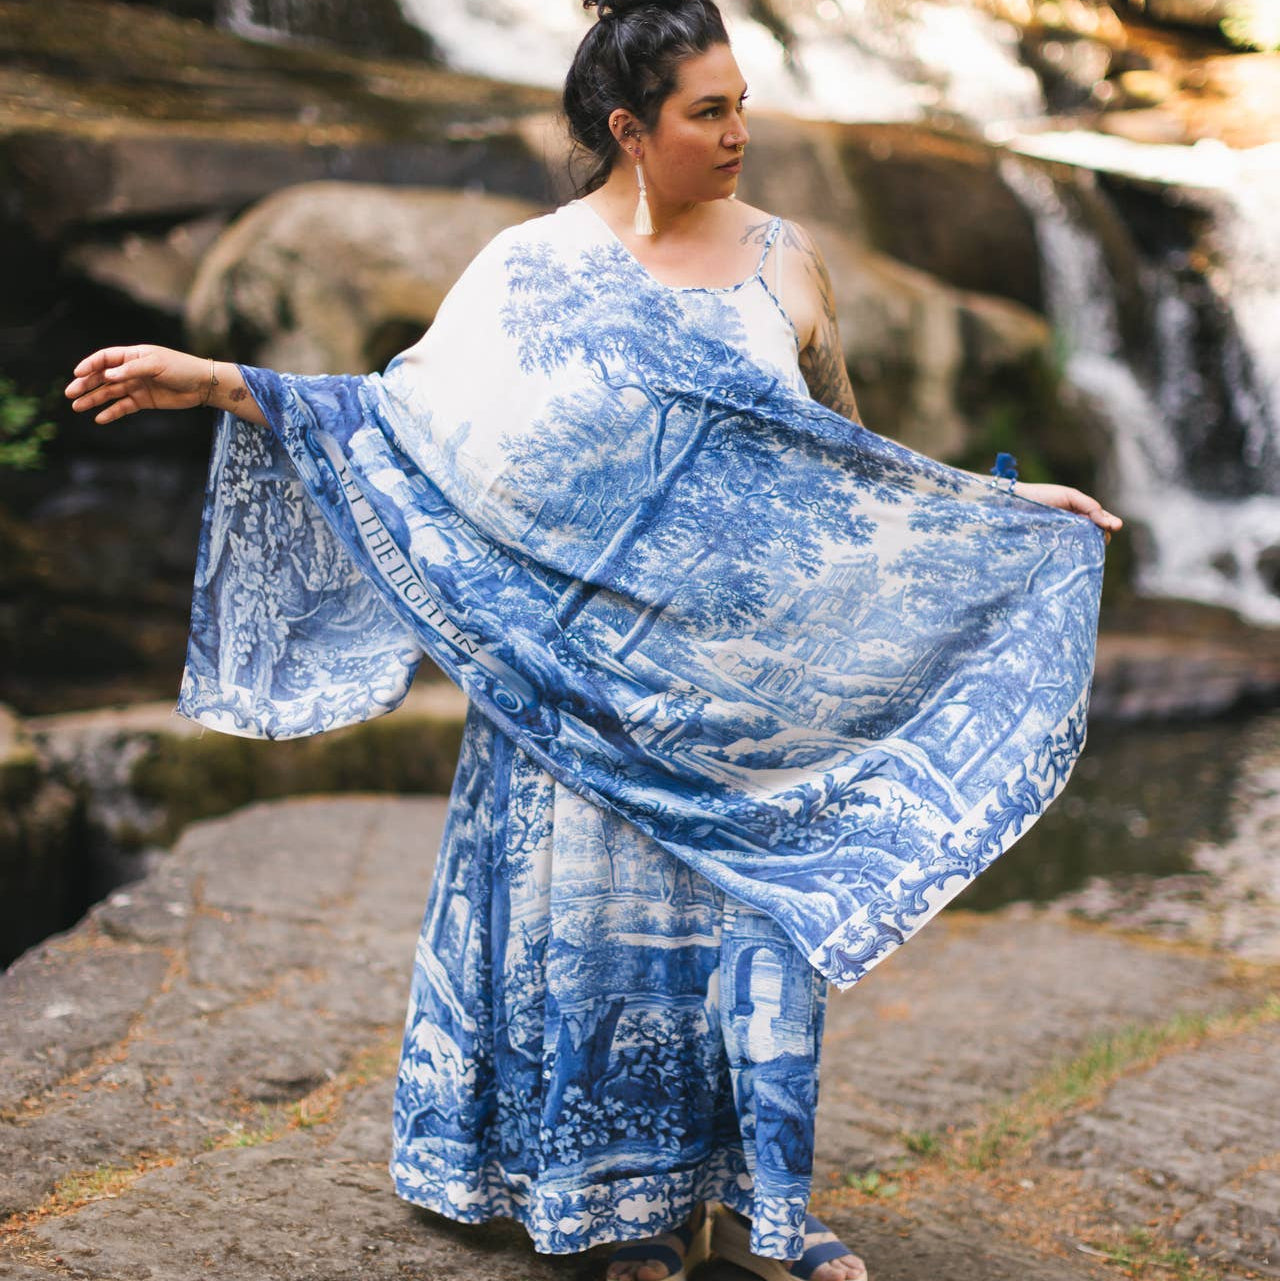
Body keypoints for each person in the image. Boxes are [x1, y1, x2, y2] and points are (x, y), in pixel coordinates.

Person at [65, 3, 1122, 1279]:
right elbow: (409, 427)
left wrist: (1001, 507)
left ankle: (753, 1209)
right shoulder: (525, 270)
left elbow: (845, 463)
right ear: (629, 130)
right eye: (707, 112)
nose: (740, 133)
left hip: (741, 699)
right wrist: (232, 381)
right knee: (600, 957)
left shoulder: (786, 259)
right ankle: (617, 1214)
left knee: (749, 954)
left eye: (741, 104)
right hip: (571, 696)